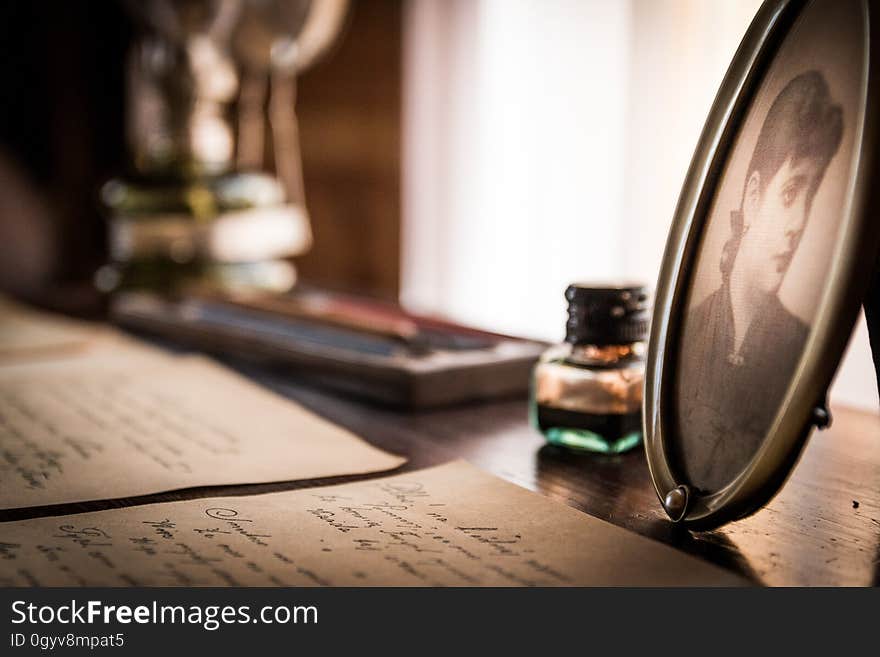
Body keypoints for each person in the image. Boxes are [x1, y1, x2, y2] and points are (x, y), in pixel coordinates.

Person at [675, 70, 844, 492]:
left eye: (811, 195)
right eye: (790, 193)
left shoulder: (801, 348)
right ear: (752, 197)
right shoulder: (687, 332)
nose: (800, 223)